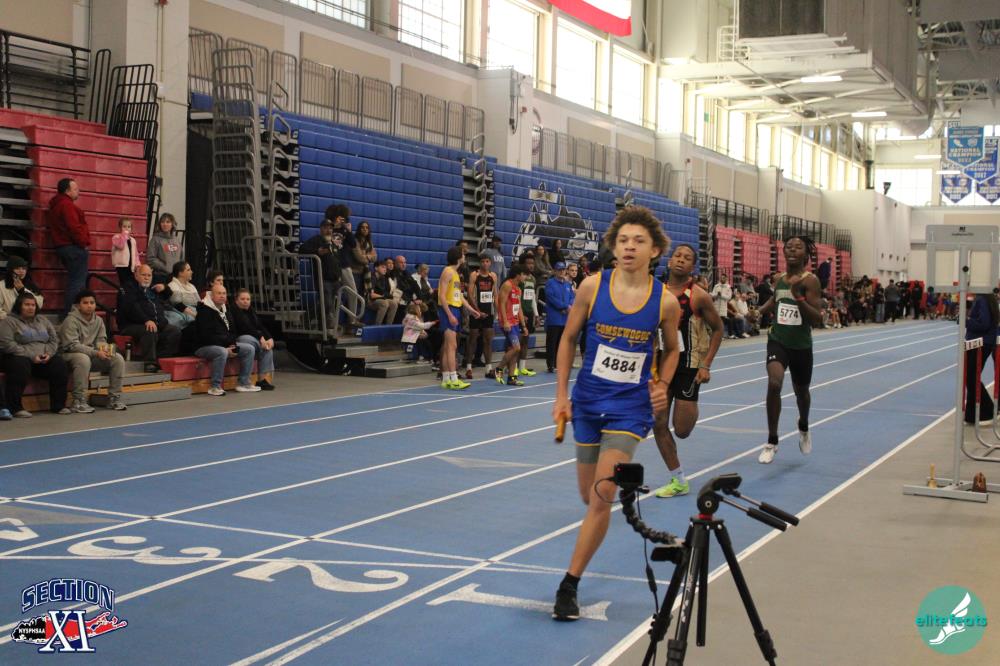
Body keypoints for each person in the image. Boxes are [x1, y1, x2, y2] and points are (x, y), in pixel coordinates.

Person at [550, 206, 680, 621]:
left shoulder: (665, 302)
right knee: (588, 496)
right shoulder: (592, 287)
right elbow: (568, 339)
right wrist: (561, 395)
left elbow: (673, 350)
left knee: (602, 496)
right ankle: (597, 524)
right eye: (623, 240)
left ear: (654, 250)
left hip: (630, 409)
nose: (629, 247)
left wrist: (662, 385)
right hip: (588, 404)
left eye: (638, 241)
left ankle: (569, 584)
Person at [652, 244, 724, 498]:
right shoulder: (655, 291)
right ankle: (678, 479)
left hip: (688, 366)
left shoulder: (698, 296)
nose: (681, 260)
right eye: (677, 256)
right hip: (661, 365)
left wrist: (706, 364)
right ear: (669, 261)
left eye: (687, 258)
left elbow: (718, 329)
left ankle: (689, 405)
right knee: (658, 422)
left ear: (693, 266)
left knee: (681, 430)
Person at [756, 236, 824, 464]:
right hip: (778, 340)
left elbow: (816, 319)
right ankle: (772, 441)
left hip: (801, 345)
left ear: (806, 255)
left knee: (801, 393)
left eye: (798, 247)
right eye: (789, 247)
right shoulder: (779, 279)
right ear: (783, 252)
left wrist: (800, 298)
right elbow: (775, 301)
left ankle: (803, 425)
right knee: (774, 383)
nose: (792, 250)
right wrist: (758, 311)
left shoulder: (811, 281)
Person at [0, 292, 68, 417]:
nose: (31, 307)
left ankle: (58, 406)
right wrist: (31, 356)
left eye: (33, 305)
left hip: (42, 358)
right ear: (19, 306)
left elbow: (54, 340)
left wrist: (48, 353)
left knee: (59, 364)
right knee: (20, 364)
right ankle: (15, 408)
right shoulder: (9, 321)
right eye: (27, 305)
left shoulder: (43, 320)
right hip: (17, 357)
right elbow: (7, 344)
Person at [59, 289, 127, 412]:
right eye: (85, 303)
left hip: (91, 355)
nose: (89, 305)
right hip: (68, 355)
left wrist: (105, 349)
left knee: (117, 358)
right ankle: (79, 400)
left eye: (92, 302)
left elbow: (101, 340)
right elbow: (72, 345)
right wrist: (96, 352)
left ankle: (114, 398)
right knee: (83, 359)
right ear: (78, 305)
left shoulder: (98, 320)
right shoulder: (70, 321)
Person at [194, 283, 261, 396]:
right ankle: (215, 387)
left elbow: (233, 332)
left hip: (223, 345)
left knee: (249, 349)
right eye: (219, 293)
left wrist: (232, 344)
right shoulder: (204, 311)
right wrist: (225, 347)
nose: (222, 296)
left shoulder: (226, 310)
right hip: (203, 346)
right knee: (222, 352)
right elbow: (206, 336)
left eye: (224, 293)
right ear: (211, 295)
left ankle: (244, 383)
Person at [117, 264, 181, 373]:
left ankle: (160, 359)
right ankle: (149, 363)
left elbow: (168, 295)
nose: (147, 278)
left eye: (149, 275)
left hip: (154, 323)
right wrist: (146, 320)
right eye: (143, 275)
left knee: (174, 331)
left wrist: (164, 288)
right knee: (150, 330)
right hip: (131, 325)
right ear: (136, 276)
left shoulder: (152, 288)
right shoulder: (128, 287)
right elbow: (131, 308)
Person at [438, 246, 483, 390]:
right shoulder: (447, 272)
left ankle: (446, 379)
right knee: (452, 346)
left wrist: (471, 310)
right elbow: (442, 296)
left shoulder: (455, 273)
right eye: (463, 255)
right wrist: (449, 314)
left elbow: (459, 296)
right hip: (449, 309)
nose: (464, 257)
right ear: (458, 257)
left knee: (448, 346)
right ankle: (454, 378)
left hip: (455, 309)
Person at [47, 178, 90, 315]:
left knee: (74, 281)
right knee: (77, 283)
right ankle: (72, 315)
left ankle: (70, 315)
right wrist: (83, 242)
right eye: (75, 189)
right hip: (73, 247)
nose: (78, 191)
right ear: (67, 191)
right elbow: (74, 228)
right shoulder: (67, 205)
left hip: (62, 246)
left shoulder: (56, 205)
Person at [299, 220, 344, 331]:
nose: (328, 230)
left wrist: (339, 275)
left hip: (335, 279)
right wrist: (317, 251)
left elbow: (337, 260)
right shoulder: (316, 239)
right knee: (326, 303)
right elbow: (301, 249)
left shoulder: (334, 242)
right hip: (323, 278)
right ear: (321, 228)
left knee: (328, 304)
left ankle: (322, 324)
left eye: (330, 228)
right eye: (326, 227)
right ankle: (315, 321)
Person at [231, 288, 276, 390]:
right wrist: (261, 338)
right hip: (239, 337)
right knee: (260, 345)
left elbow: (260, 326)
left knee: (268, 348)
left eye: (248, 299)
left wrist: (269, 338)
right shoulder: (234, 310)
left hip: (253, 338)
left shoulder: (251, 310)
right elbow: (245, 327)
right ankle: (245, 381)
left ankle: (262, 380)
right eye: (242, 299)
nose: (245, 301)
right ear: (236, 300)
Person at [965, 292, 998, 425]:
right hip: (980, 342)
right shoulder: (985, 299)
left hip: (980, 343)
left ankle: (987, 412)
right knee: (970, 377)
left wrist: (966, 320)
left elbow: (983, 324)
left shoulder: (982, 299)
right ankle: (972, 415)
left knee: (971, 377)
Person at [464, 255, 498, 379]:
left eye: (487, 261)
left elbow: (495, 295)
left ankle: (488, 368)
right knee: (472, 339)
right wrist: (477, 311)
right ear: (479, 263)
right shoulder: (474, 275)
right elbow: (470, 295)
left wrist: (498, 311)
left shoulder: (493, 276)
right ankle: (468, 367)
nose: (485, 264)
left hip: (489, 312)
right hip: (476, 312)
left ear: (490, 263)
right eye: (482, 261)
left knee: (488, 340)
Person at [495, 264, 527, 386]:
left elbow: (519, 308)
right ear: (518, 275)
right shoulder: (507, 285)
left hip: (515, 322)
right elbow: (501, 304)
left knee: (513, 350)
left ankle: (512, 377)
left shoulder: (518, 289)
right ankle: (499, 368)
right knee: (516, 348)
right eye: (524, 274)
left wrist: (523, 325)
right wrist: (505, 321)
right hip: (507, 322)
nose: (525, 277)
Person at [544, 262, 575, 373]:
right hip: (554, 318)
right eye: (559, 270)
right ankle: (550, 365)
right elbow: (551, 298)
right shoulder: (550, 283)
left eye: (563, 269)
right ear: (555, 271)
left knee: (561, 343)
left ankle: (558, 363)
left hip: (565, 319)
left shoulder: (567, 284)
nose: (562, 271)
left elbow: (572, 297)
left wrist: (569, 306)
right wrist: (565, 306)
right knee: (551, 343)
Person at [516, 254, 538, 377]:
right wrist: (520, 313)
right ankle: (513, 367)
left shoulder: (533, 279)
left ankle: (522, 367)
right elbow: (516, 297)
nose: (531, 265)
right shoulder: (520, 279)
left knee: (526, 340)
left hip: (529, 312)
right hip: (519, 312)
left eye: (532, 263)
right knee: (516, 342)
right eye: (528, 263)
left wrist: (536, 314)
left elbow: (533, 297)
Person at [146, 213, 184, 284]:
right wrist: (165, 267)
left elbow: (181, 258)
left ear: (172, 224)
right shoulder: (155, 239)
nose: (165, 224)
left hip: (175, 277)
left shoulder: (176, 240)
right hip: (160, 277)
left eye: (168, 222)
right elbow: (151, 259)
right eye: (162, 222)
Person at [165, 261, 199, 329]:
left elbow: (199, 303)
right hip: (182, 313)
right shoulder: (173, 285)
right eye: (188, 270)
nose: (192, 272)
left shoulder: (192, 286)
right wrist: (196, 315)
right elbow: (178, 305)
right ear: (180, 273)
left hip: (194, 312)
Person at [368, 259, 399, 326]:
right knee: (384, 303)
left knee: (394, 303)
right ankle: (377, 326)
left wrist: (391, 297)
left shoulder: (383, 278)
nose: (385, 269)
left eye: (385, 268)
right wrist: (383, 296)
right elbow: (371, 295)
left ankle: (388, 326)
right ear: (376, 268)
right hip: (369, 300)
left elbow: (383, 293)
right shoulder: (371, 277)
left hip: (379, 299)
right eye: (382, 267)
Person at [111, 217, 140, 286]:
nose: (127, 228)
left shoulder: (133, 240)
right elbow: (121, 246)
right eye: (124, 226)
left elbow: (135, 254)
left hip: (131, 266)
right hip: (121, 266)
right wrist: (124, 236)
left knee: (131, 284)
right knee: (124, 284)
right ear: (120, 227)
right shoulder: (116, 237)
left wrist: (137, 264)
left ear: (131, 228)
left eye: (129, 227)